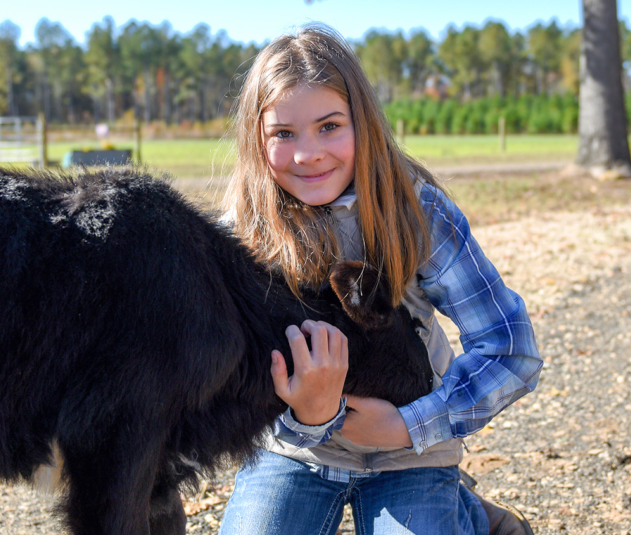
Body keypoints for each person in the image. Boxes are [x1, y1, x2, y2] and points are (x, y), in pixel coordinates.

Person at [217, 23, 542, 535]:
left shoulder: (417, 213)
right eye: (283, 133)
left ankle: (468, 514)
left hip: (411, 450)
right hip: (293, 452)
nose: (308, 153)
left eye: (329, 126)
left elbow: (512, 349)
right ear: (257, 141)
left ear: (363, 123)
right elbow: (227, 375)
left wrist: (408, 426)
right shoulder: (242, 234)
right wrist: (310, 417)